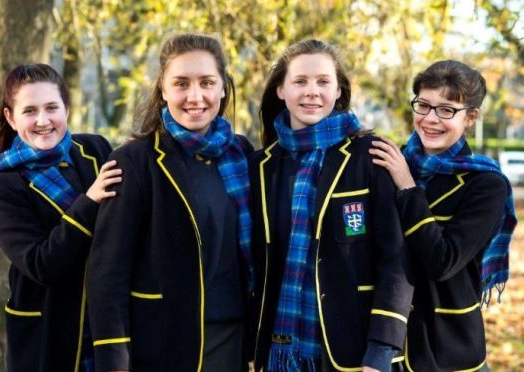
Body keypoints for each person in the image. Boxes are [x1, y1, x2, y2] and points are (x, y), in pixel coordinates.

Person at [86, 33, 254, 372]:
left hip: (234, 340)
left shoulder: (243, 154)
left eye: (207, 82)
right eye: (181, 84)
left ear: (223, 87)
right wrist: (114, 357)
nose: (195, 96)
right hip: (162, 343)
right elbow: (108, 272)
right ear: (163, 91)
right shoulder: (134, 162)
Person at [250, 39, 413, 372]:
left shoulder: (371, 156)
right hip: (277, 350)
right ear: (281, 89)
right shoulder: (261, 166)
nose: (312, 91)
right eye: (300, 81)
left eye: (323, 81)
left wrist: (381, 351)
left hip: (351, 352)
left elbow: (397, 258)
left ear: (338, 90)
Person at [369, 60, 516, 371]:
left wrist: (407, 187)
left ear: (471, 117)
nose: (430, 119)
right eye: (423, 105)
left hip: (448, 349)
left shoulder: (487, 185)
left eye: (447, 109)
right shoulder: (392, 160)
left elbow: (442, 261)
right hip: (388, 345)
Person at [0, 63, 122, 372]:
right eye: (29, 111)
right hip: (49, 333)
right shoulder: (1, 185)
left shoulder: (95, 149)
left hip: (108, 325)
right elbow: (42, 264)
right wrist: (90, 200)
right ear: (10, 118)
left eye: (52, 107)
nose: (43, 121)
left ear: (66, 108)